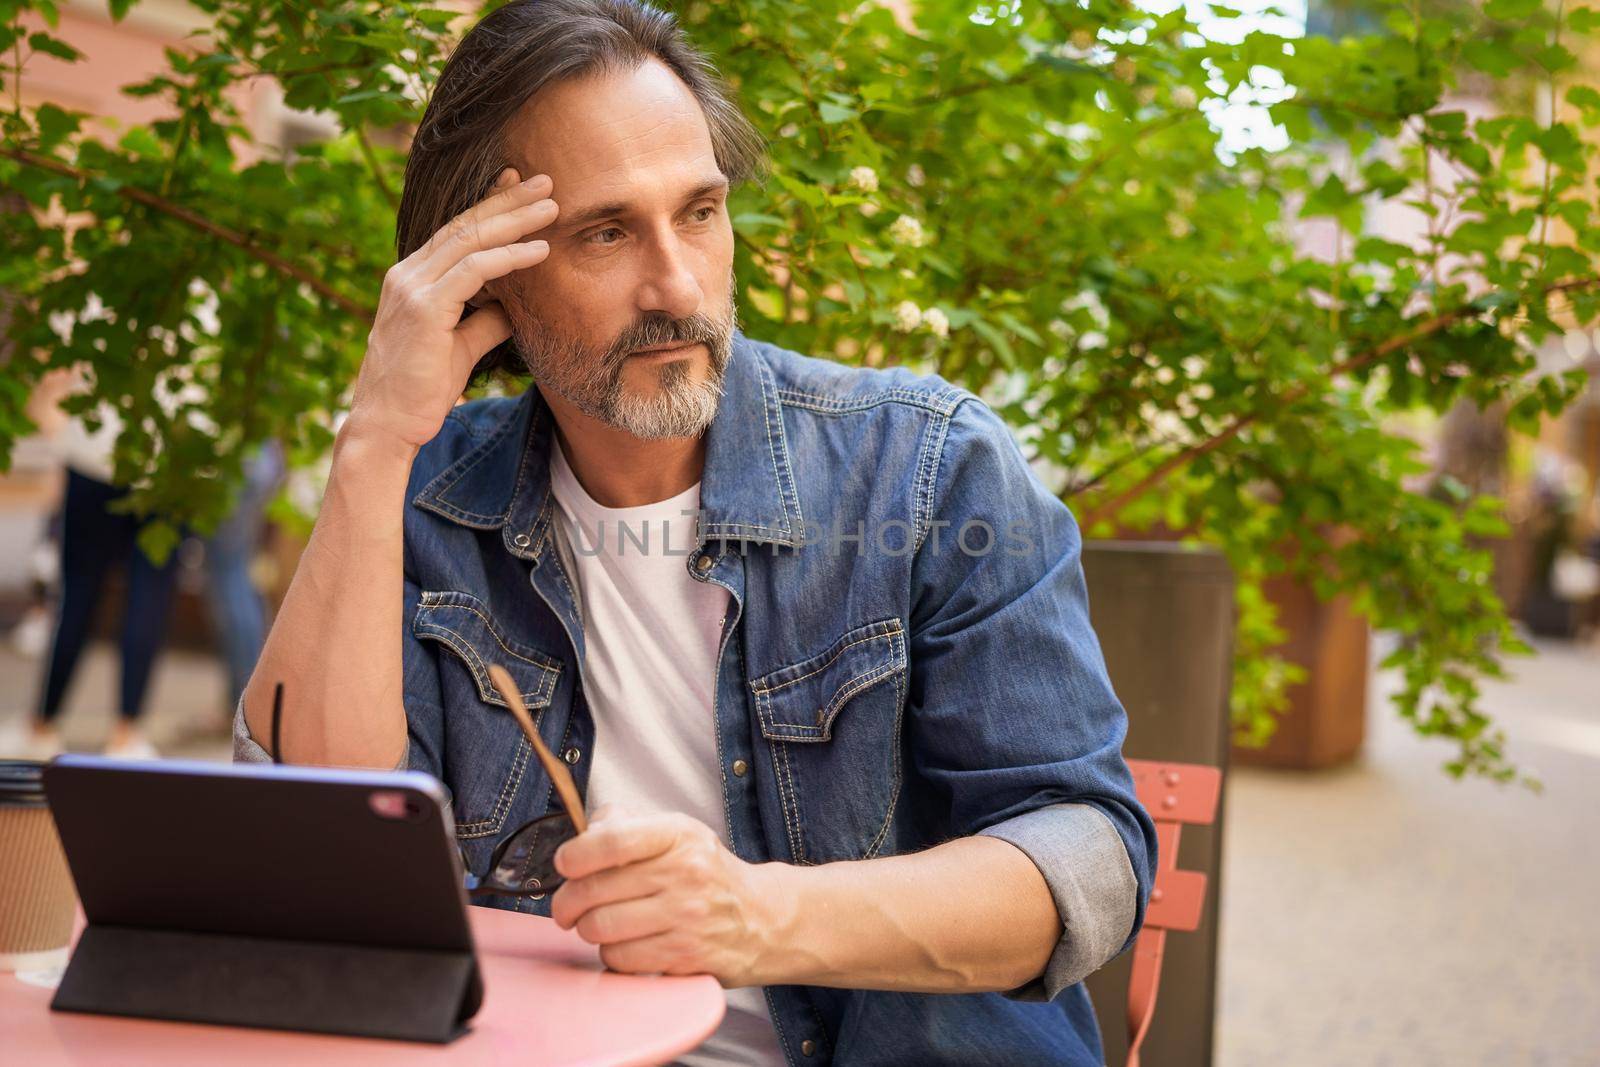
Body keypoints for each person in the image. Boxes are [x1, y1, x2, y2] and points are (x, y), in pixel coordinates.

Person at [235, 2, 1157, 1063]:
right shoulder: (425, 493)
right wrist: (370, 445)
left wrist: (758, 916)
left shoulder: (928, 471)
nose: (676, 285)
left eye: (701, 212)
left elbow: (1089, 857)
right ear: (490, 274)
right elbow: (325, 857)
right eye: (606, 231)